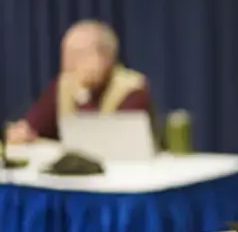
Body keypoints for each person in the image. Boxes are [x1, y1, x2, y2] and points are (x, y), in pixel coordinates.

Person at [4, 19, 154, 144]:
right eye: (65, 54)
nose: (67, 64)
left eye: (77, 55)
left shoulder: (132, 90)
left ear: (105, 57)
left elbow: (96, 143)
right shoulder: (64, 84)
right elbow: (34, 125)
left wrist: (83, 94)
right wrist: (23, 133)